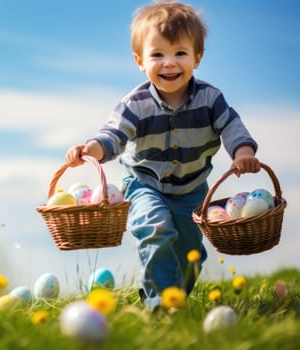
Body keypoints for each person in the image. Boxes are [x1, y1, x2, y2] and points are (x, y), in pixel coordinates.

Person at [65, 0, 261, 310]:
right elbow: (113, 134)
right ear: (140, 61)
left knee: (190, 251)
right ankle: (159, 305)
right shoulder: (136, 103)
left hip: (192, 190)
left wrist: (243, 151)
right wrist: (92, 149)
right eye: (157, 55)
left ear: (197, 58)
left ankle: (177, 295)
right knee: (155, 228)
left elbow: (232, 127)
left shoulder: (211, 99)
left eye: (180, 53)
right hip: (145, 185)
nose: (169, 62)